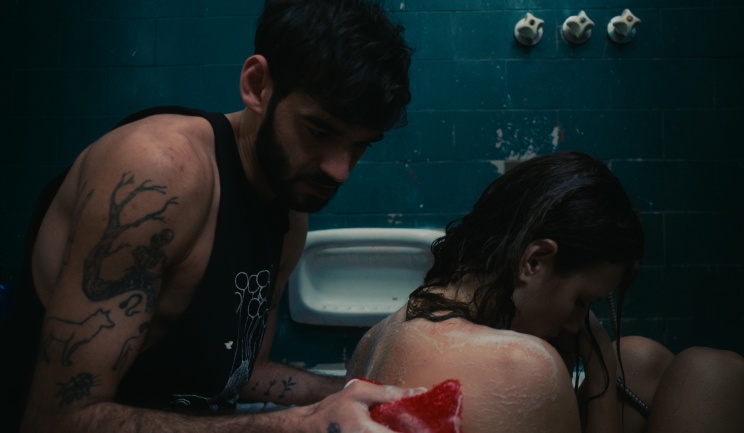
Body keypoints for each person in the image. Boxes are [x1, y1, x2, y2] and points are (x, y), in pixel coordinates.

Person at [0, 0, 426, 432]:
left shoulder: (287, 212)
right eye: (319, 131)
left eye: (360, 144)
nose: (340, 170)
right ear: (257, 85)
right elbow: (55, 420)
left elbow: (244, 372)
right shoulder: (156, 175)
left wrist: (364, 395)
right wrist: (299, 424)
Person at [348, 151, 744, 433]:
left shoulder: (376, 338)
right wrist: (599, 371)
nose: (578, 323)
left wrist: (601, 362)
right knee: (714, 373)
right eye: (581, 301)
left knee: (637, 358)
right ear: (534, 261)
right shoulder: (522, 364)